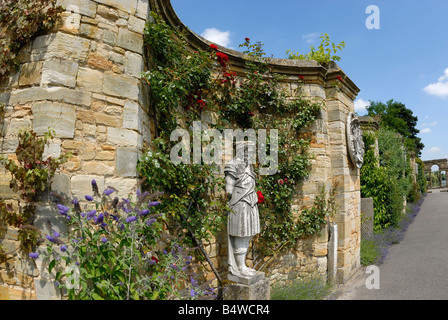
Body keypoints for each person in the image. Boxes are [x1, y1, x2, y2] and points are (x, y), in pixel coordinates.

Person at [224, 140, 260, 277]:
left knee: (247, 236)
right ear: (242, 151)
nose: (253, 154)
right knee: (240, 235)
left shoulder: (249, 167)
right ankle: (239, 267)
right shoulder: (232, 165)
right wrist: (230, 191)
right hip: (240, 204)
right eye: (250, 151)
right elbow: (229, 187)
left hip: (250, 203)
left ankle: (242, 265)